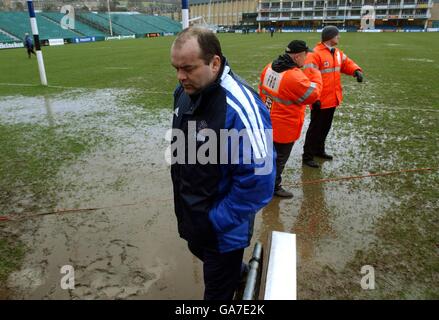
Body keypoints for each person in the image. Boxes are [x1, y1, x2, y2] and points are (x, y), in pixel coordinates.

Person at [170, 27, 275, 300]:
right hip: (194, 219)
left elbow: (260, 183)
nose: (181, 77)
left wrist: (214, 221)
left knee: (216, 293)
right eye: (176, 68)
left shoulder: (241, 107)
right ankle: (236, 272)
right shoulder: (183, 93)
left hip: (221, 232)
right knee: (208, 261)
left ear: (214, 63)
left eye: (189, 68)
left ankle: (231, 274)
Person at [259, 40, 322, 198]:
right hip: (284, 128)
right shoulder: (294, 77)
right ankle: (273, 187)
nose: (306, 58)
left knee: (267, 157)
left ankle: (261, 183)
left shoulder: (269, 67)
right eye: (305, 55)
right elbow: (313, 94)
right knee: (279, 159)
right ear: (297, 56)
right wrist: (315, 74)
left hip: (266, 120)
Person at [302, 25, 363, 168]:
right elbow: (310, 77)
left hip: (332, 99)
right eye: (337, 35)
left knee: (325, 128)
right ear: (330, 37)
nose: (339, 37)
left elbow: (346, 63)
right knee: (315, 129)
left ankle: (319, 150)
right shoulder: (315, 54)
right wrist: (314, 98)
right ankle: (307, 156)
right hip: (320, 100)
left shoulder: (336, 52)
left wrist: (356, 71)